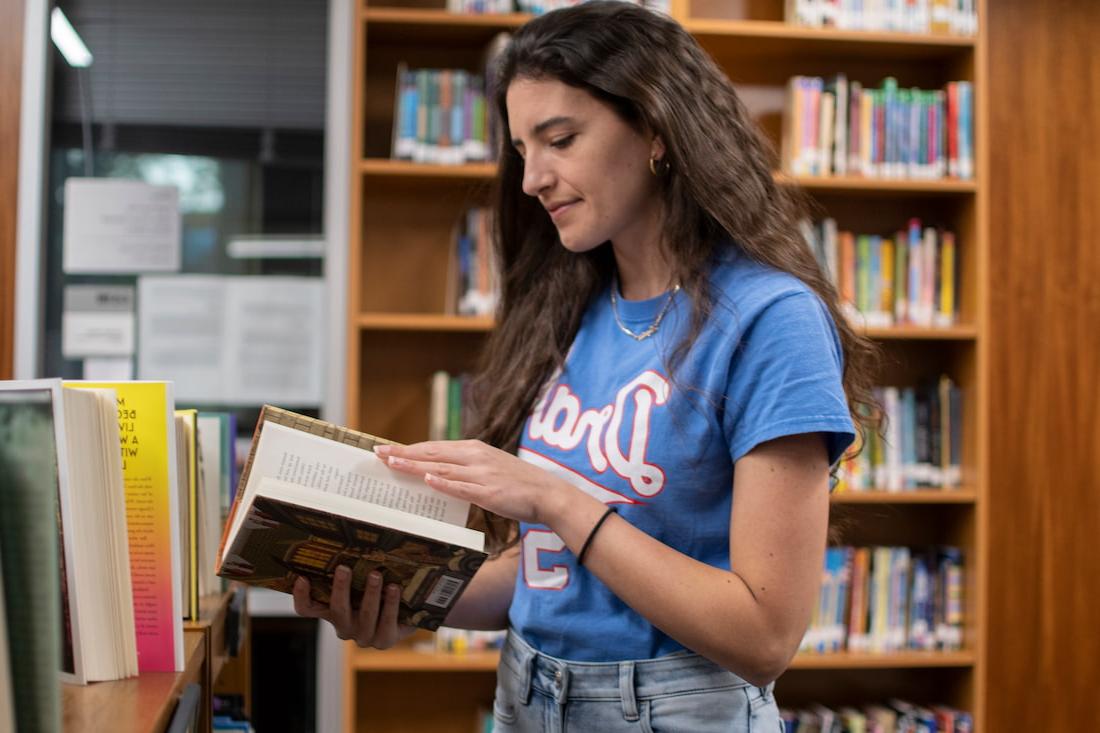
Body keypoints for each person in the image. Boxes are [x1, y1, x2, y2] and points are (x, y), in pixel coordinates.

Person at [293, 1, 879, 730]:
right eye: (521, 149)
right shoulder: (569, 309)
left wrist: (555, 499)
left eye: (560, 139)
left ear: (657, 129)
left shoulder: (769, 319)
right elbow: (542, 578)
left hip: (675, 709)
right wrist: (406, 599)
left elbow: (763, 636)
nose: (534, 177)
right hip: (526, 695)